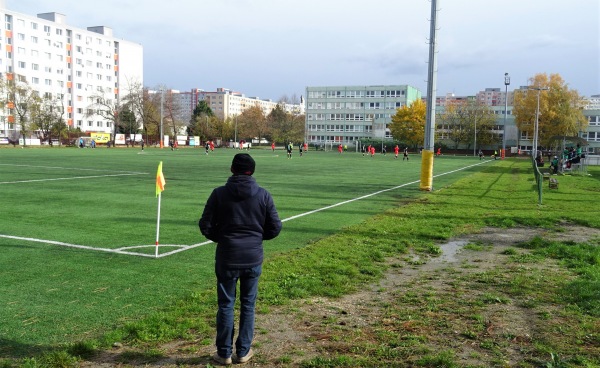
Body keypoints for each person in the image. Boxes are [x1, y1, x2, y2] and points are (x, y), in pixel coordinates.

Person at [199, 153, 282, 365]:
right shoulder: (263, 195)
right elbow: (275, 227)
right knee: (248, 304)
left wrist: (223, 239)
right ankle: (243, 351)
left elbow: (205, 225)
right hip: (252, 257)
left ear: (231, 169)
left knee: (226, 304)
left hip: (227, 256)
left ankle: (224, 353)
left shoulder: (219, 194)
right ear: (252, 171)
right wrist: (255, 238)